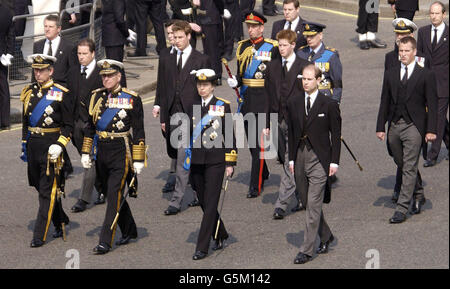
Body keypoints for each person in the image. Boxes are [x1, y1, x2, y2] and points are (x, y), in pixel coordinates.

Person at [80, 59, 146, 254]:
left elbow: (139, 130)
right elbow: (89, 128)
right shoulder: (96, 97)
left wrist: (139, 157)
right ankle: (130, 229)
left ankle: (105, 241)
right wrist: (86, 151)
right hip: (101, 151)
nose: (106, 79)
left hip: (121, 151)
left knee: (114, 194)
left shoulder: (131, 98)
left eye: (110, 75)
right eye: (103, 76)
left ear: (119, 76)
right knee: (109, 193)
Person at [376, 36, 437, 223]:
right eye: (400, 51)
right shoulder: (391, 73)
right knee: (400, 162)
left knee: (409, 166)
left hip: (414, 126)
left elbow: (432, 104)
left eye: (406, 51)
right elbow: (384, 100)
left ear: (414, 52)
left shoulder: (425, 74)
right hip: (394, 124)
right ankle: (418, 193)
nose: (402, 54)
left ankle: (402, 208)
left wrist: (431, 130)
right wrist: (380, 127)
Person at [288, 64, 341, 264]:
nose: (305, 82)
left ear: (319, 80)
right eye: (303, 79)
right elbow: (292, 132)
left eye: (309, 79)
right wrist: (292, 158)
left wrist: (334, 161)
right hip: (300, 156)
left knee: (313, 204)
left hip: (320, 158)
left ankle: (307, 249)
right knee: (306, 200)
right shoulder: (294, 102)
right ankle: (326, 234)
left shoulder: (328, 104)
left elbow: (335, 135)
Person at [157, 20, 211, 215]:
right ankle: (177, 200)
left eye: (181, 37)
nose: (177, 41)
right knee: (181, 159)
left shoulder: (201, 59)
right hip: (176, 116)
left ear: (189, 37)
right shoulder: (167, 59)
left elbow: (207, 92)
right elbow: (163, 88)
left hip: (196, 115)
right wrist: (163, 116)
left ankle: (199, 193)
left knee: (196, 159)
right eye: (175, 37)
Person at [20, 54, 73, 248]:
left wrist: (60, 145)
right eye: (35, 70)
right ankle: (60, 219)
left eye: (41, 70)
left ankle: (39, 234)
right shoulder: (28, 91)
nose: (37, 73)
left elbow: (68, 125)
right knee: (37, 184)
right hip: (34, 147)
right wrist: (24, 142)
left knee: (46, 191)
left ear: (50, 71)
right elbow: (26, 121)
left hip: (52, 147)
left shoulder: (61, 93)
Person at [227, 11, 279, 198]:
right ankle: (263, 171)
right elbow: (240, 74)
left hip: (263, 100)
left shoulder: (272, 47)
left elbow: (275, 80)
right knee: (251, 144)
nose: (251, 30)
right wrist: (236, 82)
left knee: (258, 146)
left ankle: (255, 186)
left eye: (254, 26)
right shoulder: (241, 46)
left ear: (262, 27)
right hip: (246, 100)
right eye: (248, 26)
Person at [188, 69, 237, 260]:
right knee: (203, 200)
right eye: (199, 85)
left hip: (216, 160)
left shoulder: (222, 106)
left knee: (210, 203)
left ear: (213, 86)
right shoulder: (192, 105)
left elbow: (230, 135)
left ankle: (202, 246)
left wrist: (230, 162)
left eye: (206, 85)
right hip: (197, 160)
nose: (202, 88)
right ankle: (221, 233)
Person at [264, 29, 310, 219]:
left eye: (284, 45)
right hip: (277, 119)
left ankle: (281, 204)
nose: (281, 49)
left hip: (297, 122)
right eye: (279, 45)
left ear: (293, 45)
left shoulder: (304, 66)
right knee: (286, 159)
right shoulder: (272, 67)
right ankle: (302, 195)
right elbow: (268, 97)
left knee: (289, 162)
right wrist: (267, 123)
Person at [384, 18, 427, 203]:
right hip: (396, 116)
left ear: (411, 36)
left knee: (408, 159)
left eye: (403, 34)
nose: (399, 37)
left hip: (414, 118)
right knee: (398, 156)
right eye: (397, 34)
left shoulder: (421, 58)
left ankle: (403, 193)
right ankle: (416, 189)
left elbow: (426, 88)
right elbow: (387, 92)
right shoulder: (390, 58)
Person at [66, 38, 104, 212]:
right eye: (79, 54)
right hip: (77, 125)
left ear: (93, 53)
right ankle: (103, 188)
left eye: (84, 54)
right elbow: (69, 99)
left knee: (89, 160)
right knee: (89, 159)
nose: (81, 57)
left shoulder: (103, 72)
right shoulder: (73, 71)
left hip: (94, 126)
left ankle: (84, 198)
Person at [417, 1, 449, 167]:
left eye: (437, 13)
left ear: (444, 14)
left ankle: (433, 154)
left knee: (438, 117)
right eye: (431, 13)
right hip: (427, 82)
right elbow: (420, 58)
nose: (434, 16)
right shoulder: (422, 32)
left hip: (444, 83)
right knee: (437, 116)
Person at [154, 19, 179, 194]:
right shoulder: (164, 54)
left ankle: (175, 177)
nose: (170, 37)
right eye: (168, 34)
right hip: (169, 107)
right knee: (172, 142)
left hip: (185, 108)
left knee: (183, 143)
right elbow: (161, 84)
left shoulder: (194, 56)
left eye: (173, 33)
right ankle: (176, 175)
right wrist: (158, 105)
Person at [297, 22, 343, 103]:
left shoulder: (331, 55)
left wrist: (335, 103)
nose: (308, 39)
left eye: (312, 36)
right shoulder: (300, 53)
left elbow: (337, 84)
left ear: (320, 35)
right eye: (307, 36)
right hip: (303, 98)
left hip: (323, 98)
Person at [32, 14, 78, 86]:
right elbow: (34, 69)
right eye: (45, 26)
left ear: (59, 29)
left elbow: (73, 73)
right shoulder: (38, 45)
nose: (47, 29)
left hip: (60, 89)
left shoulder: (69, 46)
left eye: (51, 27)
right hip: (41, 89)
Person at [194, 0, 225, 85]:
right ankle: (214, 74)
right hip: (211, 16)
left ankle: (215, 75)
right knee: (212, 49)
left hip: (209, 17)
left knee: (212, 50)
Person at [101, 0, 130, 87]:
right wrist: (127, 33)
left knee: (115, 69)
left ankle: (120, 93)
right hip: (115, 37)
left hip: (111, 37)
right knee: (117, 69)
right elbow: (120, 19)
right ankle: (121, 93)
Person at [0, 3, 15, 130]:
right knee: (3, 88)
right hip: (2, 57)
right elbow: (11, 35)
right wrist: (9, 53)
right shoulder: (7, 11)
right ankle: (4, 121)